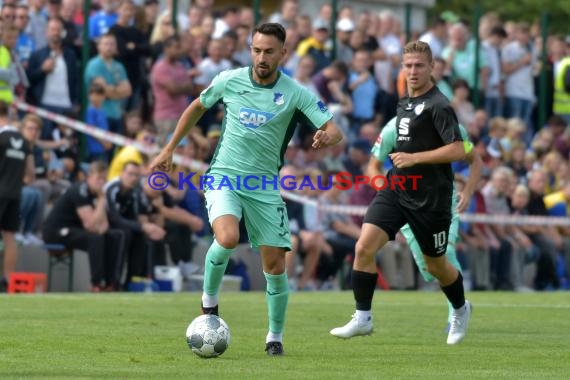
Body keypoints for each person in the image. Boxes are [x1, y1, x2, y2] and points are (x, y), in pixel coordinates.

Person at [150, 23, 343, 356]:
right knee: (226, 238)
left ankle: (274, 338)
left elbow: (334, 128)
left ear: (283, 53)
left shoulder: (296, 93)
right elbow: (197, 106)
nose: (261, 57)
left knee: (275, 265)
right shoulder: (229, 79)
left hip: (264, 185)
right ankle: (209, 304)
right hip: (224, 176)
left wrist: (327, 136)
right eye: (256, 50)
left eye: (269, 51)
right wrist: (169, 148)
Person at [330, 41, 471, 345]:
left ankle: (460, 308)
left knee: (436, 266)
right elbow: (378, 161)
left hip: (431, 199)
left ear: (432, 68)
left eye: (419, 65)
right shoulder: (403, 103)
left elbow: (459, 150)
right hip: (396, 190)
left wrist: (415, 159)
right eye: (408, 66)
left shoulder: (440, 105)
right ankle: (362, 317)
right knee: (364, 247)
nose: (413, 71)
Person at [368, 116, 482, 328]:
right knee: (430, 269)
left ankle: (456, 312)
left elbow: (475, 159)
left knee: (445, 252)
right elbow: (373, 166)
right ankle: (461, 302)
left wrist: (468, 191)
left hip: (442, 202)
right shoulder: (393, 128)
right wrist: (388, 194)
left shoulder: (453, 129)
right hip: (405, 203)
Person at [0, 100, 33, 291]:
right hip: (15, 193)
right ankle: (8, 280)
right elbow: (30, 172)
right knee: (10, 237)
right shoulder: (22, 140)